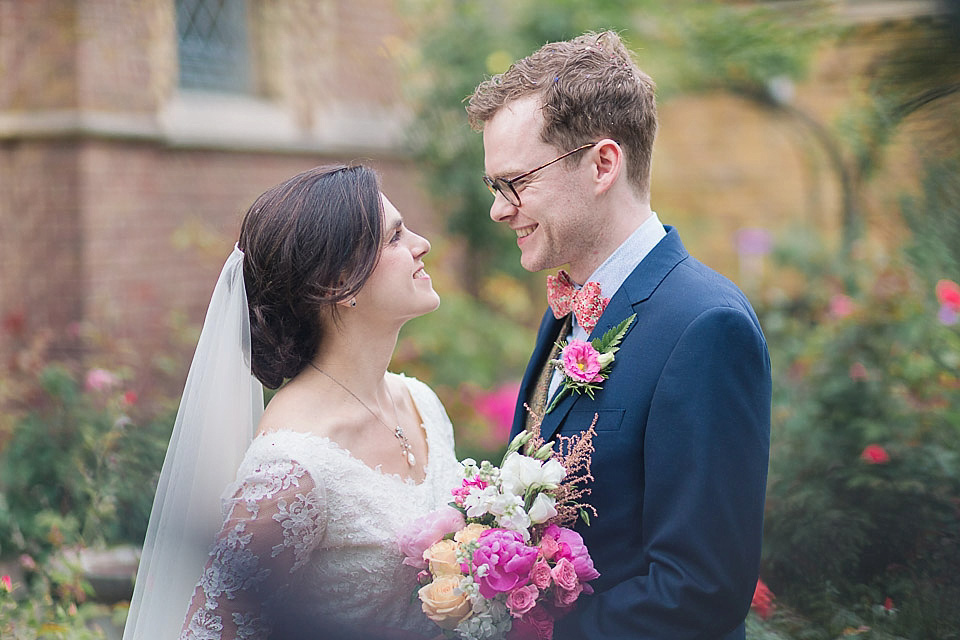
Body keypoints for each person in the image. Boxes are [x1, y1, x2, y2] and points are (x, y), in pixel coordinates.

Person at [466, 32, 772, 639]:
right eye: (494, 187)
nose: (500, 210)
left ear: (603, 164)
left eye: (515, 181)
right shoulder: (567, 305)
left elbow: (701, 591)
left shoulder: (706, 325)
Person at [122, 164, 461, 640]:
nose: (421, 244)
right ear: (334, 284)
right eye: (395, 237)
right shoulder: (292, 468)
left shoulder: (421, 403)